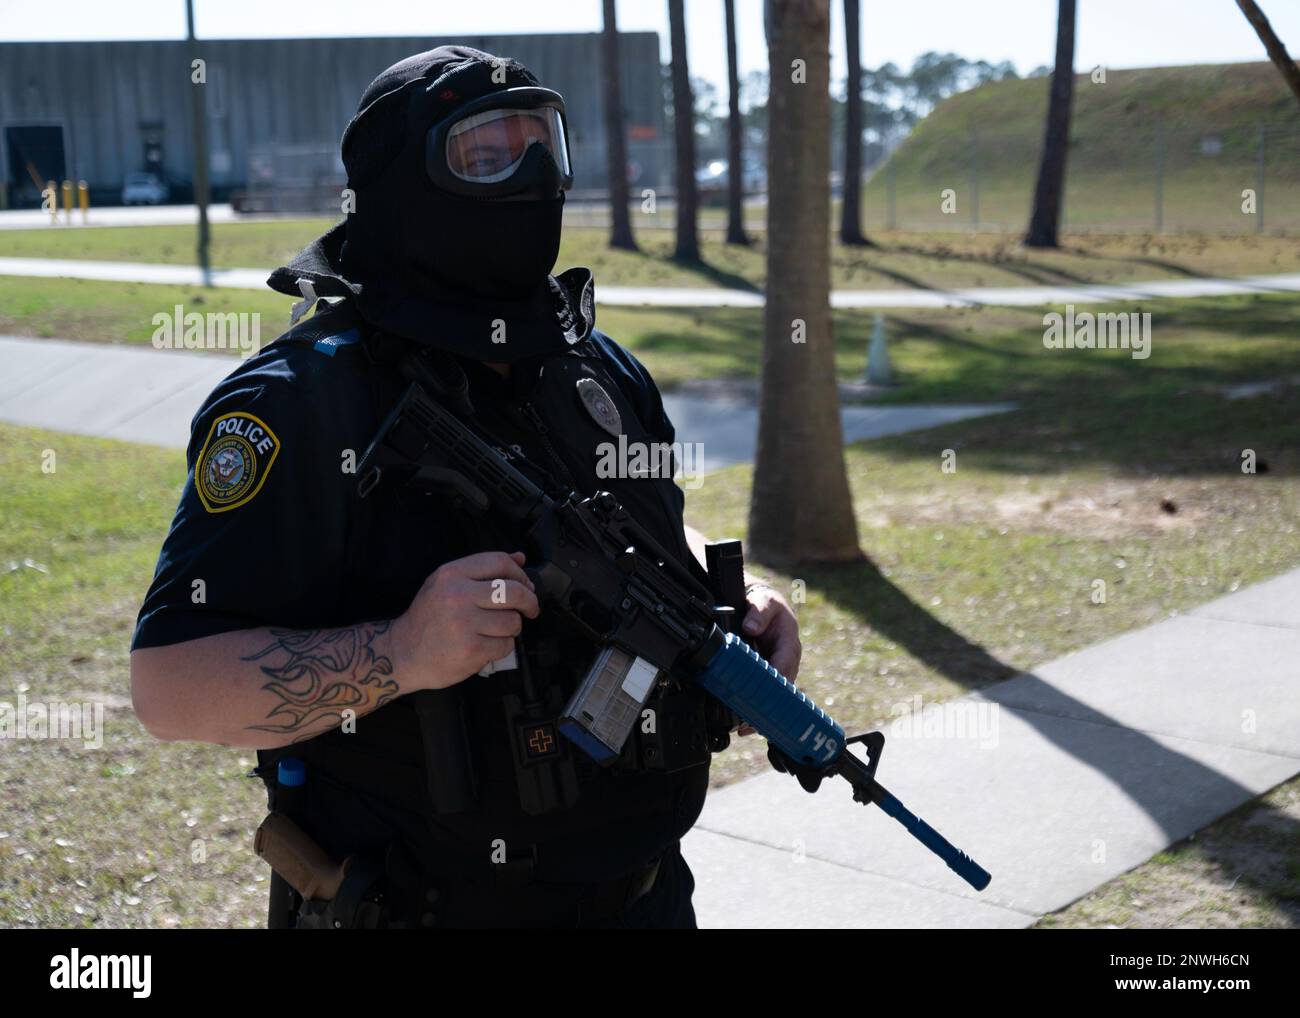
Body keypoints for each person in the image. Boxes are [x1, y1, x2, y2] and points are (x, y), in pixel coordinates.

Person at [129, 45, 801, 929]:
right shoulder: (305, 403)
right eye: (485, 154)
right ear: (401, 187)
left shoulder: (596, 371)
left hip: (649, 901)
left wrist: (736, 606)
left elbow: (642, 528)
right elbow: (167, 687)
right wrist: (399, 652)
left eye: (542, 146)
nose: (528, 177)